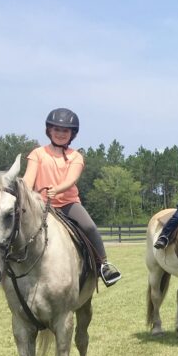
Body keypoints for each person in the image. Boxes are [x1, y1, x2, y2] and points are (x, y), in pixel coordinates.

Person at [22, 108, 121, 286]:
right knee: (15, 224)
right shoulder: (37, 154)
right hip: (41, 205)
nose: (60, 134)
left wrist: (57, 190)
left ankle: (103, 265)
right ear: (49, 130)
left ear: (72, 134)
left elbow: (71, 179)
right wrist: (24, 193)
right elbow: (29, 179)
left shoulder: (76, 156)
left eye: (65, 130)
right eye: (57, 129)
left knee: (89, 227)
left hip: (68, 204)